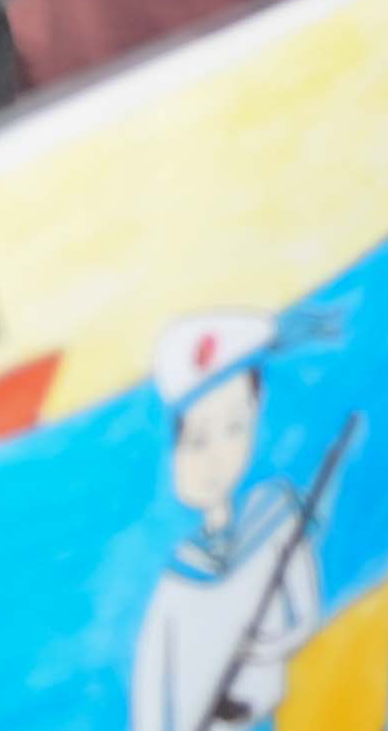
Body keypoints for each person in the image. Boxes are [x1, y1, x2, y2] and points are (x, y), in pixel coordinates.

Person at [129, 311, 327, 731]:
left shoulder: (274, 515)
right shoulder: (179, 580)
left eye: (235, 427)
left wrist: (265, 649)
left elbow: (305, 611)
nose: (217, 457)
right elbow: (152, 695)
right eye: (197, 440)